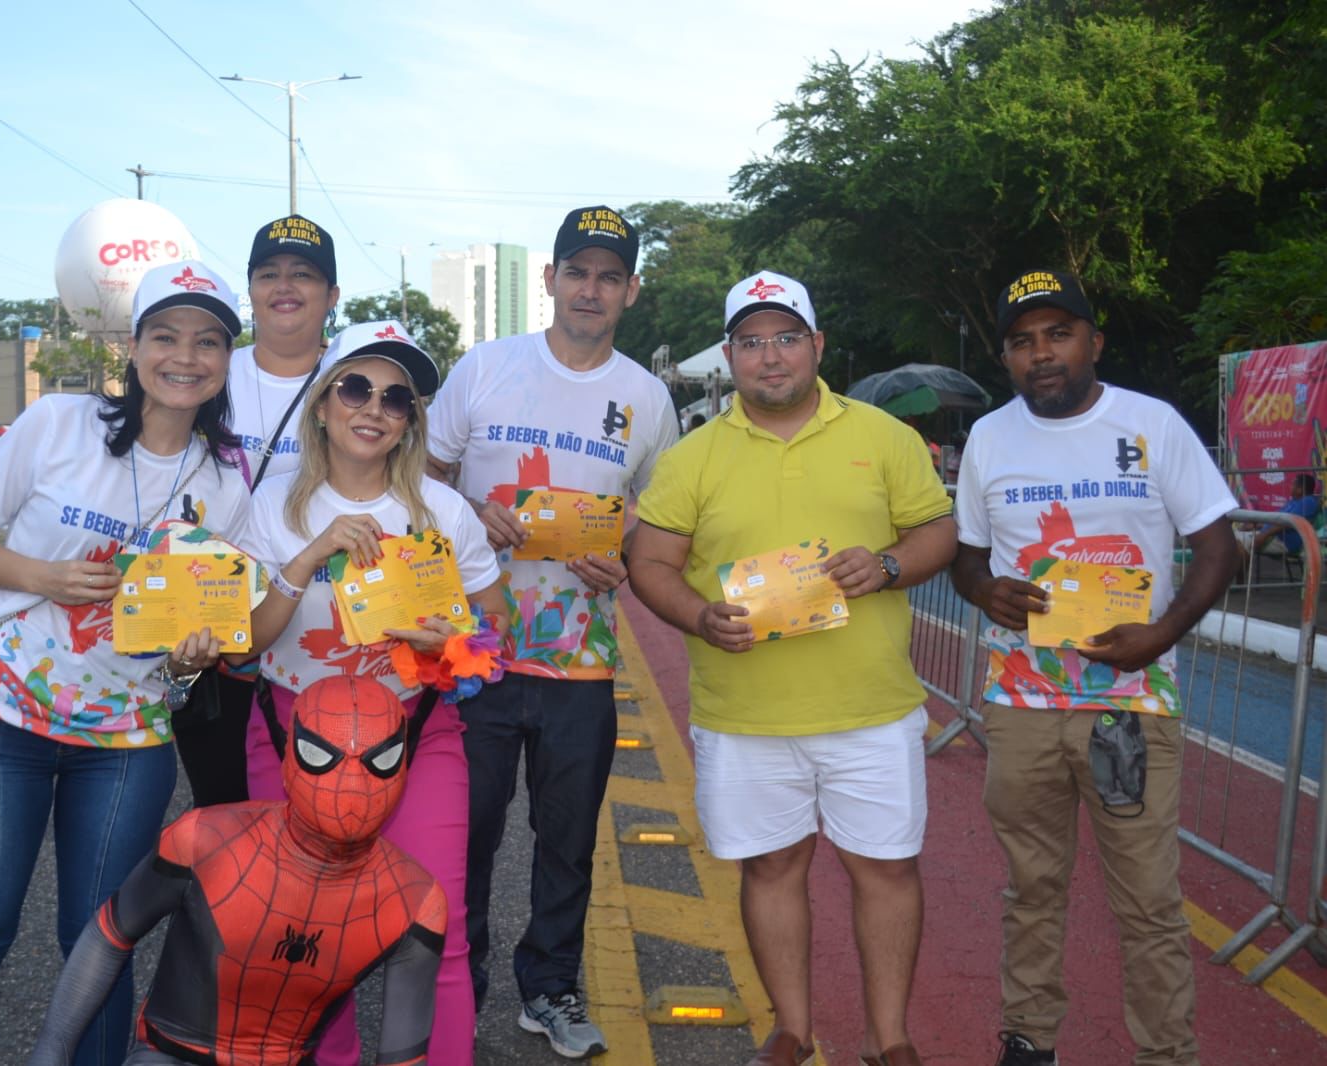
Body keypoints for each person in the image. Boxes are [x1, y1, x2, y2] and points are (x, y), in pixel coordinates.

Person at [0, 260, 258, 1066]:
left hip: (129, 744)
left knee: (100, 941)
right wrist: (45, 578)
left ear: (225, 361)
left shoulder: (226, 481)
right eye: (166, 336)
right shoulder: (57, 424)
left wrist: (195, 655)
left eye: (208, 341)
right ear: (134, 349)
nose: (186, 356)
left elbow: (206, 629)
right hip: (1, 720)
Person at [629, 272, 954, 1066]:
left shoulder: (882, 437)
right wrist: (698, 618)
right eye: (749, 342)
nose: (767, 357)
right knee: (771, 867)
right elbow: (651, 562)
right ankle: (792, 1029)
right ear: (729, 357)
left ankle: (891, 1040)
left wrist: (884, 564)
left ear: (816, 346)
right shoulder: (693, 455)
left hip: (870, 708)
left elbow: (936, 534)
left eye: (783, 338)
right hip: (744, 714)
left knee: (884, 868)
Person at [950, 270, 1238, 1066]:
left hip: (1131, 705)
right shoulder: (989, 438)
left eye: (1057, 334)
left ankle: (1166, 1053)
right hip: (1020, 705)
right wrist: (985, 592)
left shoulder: (1152, 425)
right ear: (1006, 356)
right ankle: (1027, 1040)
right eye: (1021, 341)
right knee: (1031, 890)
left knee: (1146, 900)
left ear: (1093, 342)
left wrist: (1161, 632)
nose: (1040, 353)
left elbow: (1219, 545)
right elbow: (966, 558)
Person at [426, 204, 679, 1058]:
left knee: (566, 841)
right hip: (476, 652)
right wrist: (470, 510)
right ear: (550, 279)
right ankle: (453, 983)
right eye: (577, 271)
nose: (590, 289)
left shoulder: (645, 397)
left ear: (631, 292)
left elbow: (656, 517)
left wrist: (628, 559)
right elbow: (420, 473)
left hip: (581, 658)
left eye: (609, 276)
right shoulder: (486, 368)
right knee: (465, 834)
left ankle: (551, 990)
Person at [243, 319, 507, 1065]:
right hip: (294, 734)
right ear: (322, 403)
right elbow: (246, 644)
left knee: (435, 933)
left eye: (396, 399)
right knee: (308, 938)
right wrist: (309, 557)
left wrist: (448, 646)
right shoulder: (271, 509)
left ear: (409, 422)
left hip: (414, 736)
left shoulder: (440, 513)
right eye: (356, 387)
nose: (374, 408)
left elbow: (494, 635)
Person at [28, 675, 446, 1066]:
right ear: (289, 755)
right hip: (171, 1054)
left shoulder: (413, 901)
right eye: (321, 756)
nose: (352, 783)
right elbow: (109, 935)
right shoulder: (205, 841)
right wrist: (51, 1052)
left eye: (379, 760)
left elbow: (402, 1057)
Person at [175, 214, 344, 810]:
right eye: (268, 273)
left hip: (321, 641)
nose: (285, 286)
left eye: (304, 274)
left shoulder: (354, 382)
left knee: (325, 817)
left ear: (332, 296)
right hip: (218, 642)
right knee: (225, 817)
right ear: (250, 290)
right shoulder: (209, 373)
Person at [1245, 472, 1320, 557]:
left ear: (1300, 489)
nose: (1290, 487)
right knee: (1235, 536)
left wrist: (1263, 535)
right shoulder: (1294, 501)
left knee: (1237, 541)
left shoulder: (1308, 502)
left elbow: (1288, 522)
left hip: (1283, 542)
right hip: (1271, 536)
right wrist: (1256, 526)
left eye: (1293, 484)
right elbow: (1275, 519)